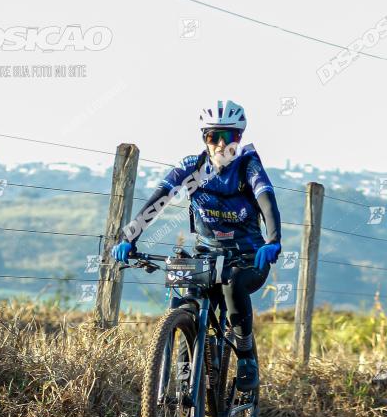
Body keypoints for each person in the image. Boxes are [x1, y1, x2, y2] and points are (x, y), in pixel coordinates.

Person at [111, 99, 282, 392]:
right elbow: (157, 201)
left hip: (249, 258)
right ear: (204, 138)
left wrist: (273, 240)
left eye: (227, 137)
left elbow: (267, 203)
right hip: (206, 255)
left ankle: (245, 356)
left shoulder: (248, 167)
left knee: (232, 284)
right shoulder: (193, 167)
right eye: (212, 136)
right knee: (188, 296)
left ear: (239, 138)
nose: (219, 144)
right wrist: (130, 237)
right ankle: (184, 384)